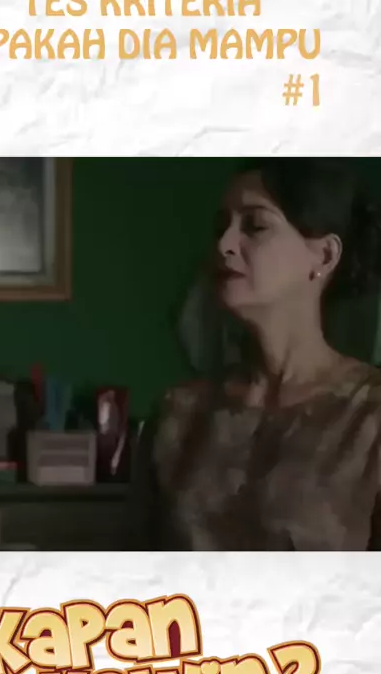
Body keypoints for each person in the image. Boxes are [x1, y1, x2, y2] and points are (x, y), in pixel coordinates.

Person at [133, 158, 381, 551]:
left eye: (256, 226)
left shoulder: (369, 418)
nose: (224, 245)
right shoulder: (177, 414)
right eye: (221, 227)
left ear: (324, 256)